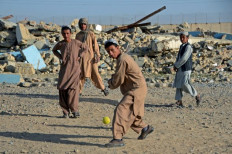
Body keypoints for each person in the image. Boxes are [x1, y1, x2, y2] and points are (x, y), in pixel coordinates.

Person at [104, 38, 154, 148]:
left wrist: (110, 83)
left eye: (112, 50)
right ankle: (145, 128)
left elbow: (118, 80)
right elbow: (120, 75)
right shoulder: (122, 58)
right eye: (108, 52)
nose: (111, 53)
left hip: (136, 90)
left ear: (118, 47)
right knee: (131, 113)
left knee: (121, 110)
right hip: (137, 89)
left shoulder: (122, 59)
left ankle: (117, 138)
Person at [52, 26, 88, 118]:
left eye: (67, 33)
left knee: (73, 90)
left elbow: (85, 48)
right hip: (64, 70)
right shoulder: (61, 44)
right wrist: (60, 57)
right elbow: (54, 50)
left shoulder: (76, 43)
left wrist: (80, 56)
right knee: (62, 89)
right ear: (61, 34)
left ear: (70, 33)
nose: (66, 35)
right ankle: (65, 111)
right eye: (64, 34)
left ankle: (74, 110)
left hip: (75, 70)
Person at [75, 18, 109, 96]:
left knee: (95, 73)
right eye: (81, 24)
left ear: (87, 25)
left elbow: (95, 45)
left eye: (84, 24)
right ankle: (79, 91)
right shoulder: (78, 35)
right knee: (80, 74)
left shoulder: (91, 34)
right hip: (82, 58)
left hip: (91, 58)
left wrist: (97, 55)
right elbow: (76, 46)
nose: (83, 26)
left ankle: (103, 88)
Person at [173, 31, 201, 107]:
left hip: (186, 69)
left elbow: (184, 58)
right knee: (178, 84)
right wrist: (175, 65)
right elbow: (179, 57)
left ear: (187, 38)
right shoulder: (182, 46)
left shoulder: (188, 47)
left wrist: (177, 65)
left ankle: (196, 95)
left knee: (185, 84)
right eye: (181, 37)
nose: (182, 39)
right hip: (180, 68)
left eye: (183, 37)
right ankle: (179, 101)